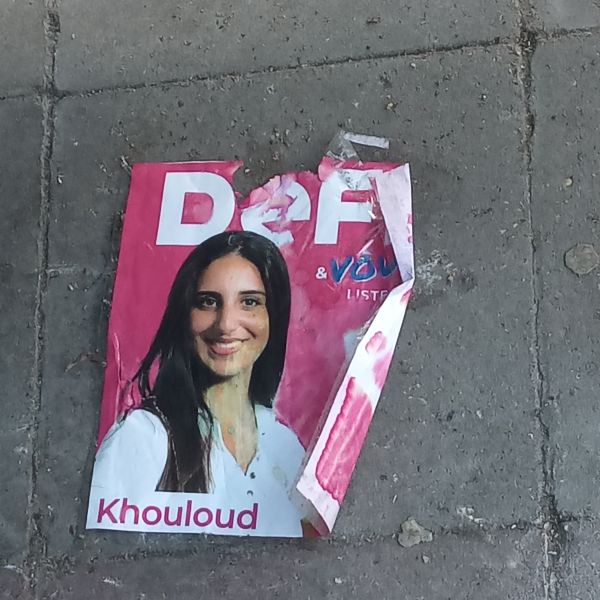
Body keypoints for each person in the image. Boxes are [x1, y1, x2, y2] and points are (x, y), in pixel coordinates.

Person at [90, 231, 307, 536]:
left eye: (249, 302)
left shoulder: (286, 447)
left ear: (274, 317)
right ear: (184, 314)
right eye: (208, 302)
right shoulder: (143, 437)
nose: (226, 324)